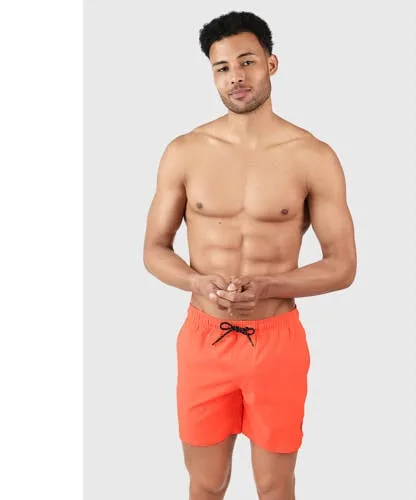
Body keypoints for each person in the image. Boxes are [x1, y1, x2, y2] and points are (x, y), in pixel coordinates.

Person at [143, 10, 357, 500]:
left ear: (271, 64)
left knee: (275, 486)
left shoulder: (313, 156)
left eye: (247, 62)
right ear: (212, 75)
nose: (235, 76)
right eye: (222, 68)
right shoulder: (184, 151)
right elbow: (154, 249)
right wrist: (196, 282)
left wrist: (269, 286)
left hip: (277, 340)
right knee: (206, 483)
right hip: (204, 338)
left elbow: (343, 265)